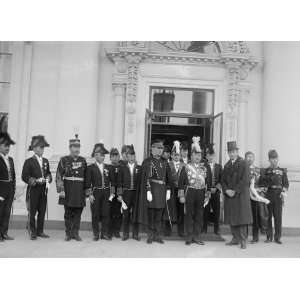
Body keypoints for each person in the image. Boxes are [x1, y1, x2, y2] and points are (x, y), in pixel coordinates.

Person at [134, 139, 173, 244]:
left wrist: (168, 190)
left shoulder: (165, 162)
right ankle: (150, 235)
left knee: (159, 216)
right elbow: (145, 178)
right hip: (151, 191)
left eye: (161, 148)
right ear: (152, 149)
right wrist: (148, 191)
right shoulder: (147, 162)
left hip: (161, 192)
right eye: (157, 148)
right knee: (151, 215)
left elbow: (168, 178)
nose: (160, 151)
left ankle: (157, 235)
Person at [178, 136, 211, 245]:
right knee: (189, 214)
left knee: (199, 215)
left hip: (201, 193)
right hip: (190, 192)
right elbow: (181, 183)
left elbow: (208, 182)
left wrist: (207, 194)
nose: (197, 156)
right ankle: (189, 236)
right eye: (195, 154)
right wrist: (181, 195)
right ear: (190, 156)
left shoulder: (204, 168)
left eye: (199, 154)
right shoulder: (186, 167)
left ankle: (196, 236)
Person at [56, 135, 87, 241]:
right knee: (68, 213)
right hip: (68, 190)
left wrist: (87, 192)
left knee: (78, 213)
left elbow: (86, 177)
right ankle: (68, 233)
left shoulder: (83, 160)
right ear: (70, 148)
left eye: (78, 147)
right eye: (74, 147)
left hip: (79, 190)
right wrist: (61, 190)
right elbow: (59, 175)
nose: (77, 149)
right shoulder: (64, 160)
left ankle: (76, 233)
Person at [221, 141, 252, 249]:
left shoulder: (244, 163)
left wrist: (235, 190)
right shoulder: (227, 165)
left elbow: (246, 180)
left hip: (241, 195)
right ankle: (235, 238)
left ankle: (243, 240)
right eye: (230, 152)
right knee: (232, 217)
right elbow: (223, 180)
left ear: (237, 151)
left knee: (241, 218)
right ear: (228, 153)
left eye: (234, 151)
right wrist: (226, 190)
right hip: (230, 196)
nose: (232, 154)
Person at [22, 135, 52, 240]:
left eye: (43, 147)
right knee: (32, 211)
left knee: (42, 211)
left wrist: (48, 178)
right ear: (34, 149)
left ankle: (40, 231)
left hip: (43, 189)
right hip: (33, 189)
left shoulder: (46, 161)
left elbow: (48, 173)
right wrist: (34, 180)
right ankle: (32, 231)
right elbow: (24, 176)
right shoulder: (28, 161)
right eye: (40, 147)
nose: (42, 149)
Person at [85, 143, 115, 241]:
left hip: (106, 192)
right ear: (95, 155)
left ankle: (104, 234)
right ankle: (96, 234)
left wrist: (112, 193)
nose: (101, 156)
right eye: (98, 154)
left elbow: (113, 182)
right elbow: (87, 183)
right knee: (95, 213)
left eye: (102, 155)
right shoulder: (90, 168)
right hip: (96, 193)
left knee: (106, 213)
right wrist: (89, 195)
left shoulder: (109, 167)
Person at [261, 150, 289, 244]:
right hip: (269, 194)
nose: (274, 160)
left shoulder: (282, 171)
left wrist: (283, 192)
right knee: (268, 217)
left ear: (278, 159)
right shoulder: (265, 171)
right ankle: (269, 237)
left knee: (278, 217)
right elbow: (262, 183)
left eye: (275, 158)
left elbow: (286, 184)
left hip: (278, 195)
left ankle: (277, 237)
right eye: (272, 158)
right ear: (269, 160)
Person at [117, 145, 142, 241]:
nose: (131, 157)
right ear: (127, 157)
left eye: (133, 155)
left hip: (136, 194)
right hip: (126, 194)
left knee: (135, 214)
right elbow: (119, 182)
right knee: (126, 214)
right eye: (129, 156)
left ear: (135, 156)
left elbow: (142, 182)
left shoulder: (139, 168)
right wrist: (119, 194)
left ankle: (135, 234)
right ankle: (125, 234)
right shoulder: (122, 168)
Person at [245, 151, 269, 243]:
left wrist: (260, 190)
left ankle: (255, 237)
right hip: (245, 196)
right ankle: (244, 236)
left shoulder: (258, 170)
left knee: (255, 217)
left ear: (254, 158)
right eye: (248, 157)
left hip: (255, 196)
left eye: (251, 157)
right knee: (245, 217)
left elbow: (262, 183)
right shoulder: (243, 169)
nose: (250, 158)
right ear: (245, 158)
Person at [163, 140, 183, 237]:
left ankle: (181, 230)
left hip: (181, 190)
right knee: (170, 209)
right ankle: (168, 229)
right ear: (171, 155)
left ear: (180, 156)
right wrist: (167, 188)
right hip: (170, 190)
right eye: (174, 155)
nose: (176, 156)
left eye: (178, 155)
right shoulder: (167, 164)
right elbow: (165, 178)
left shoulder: (184, 166)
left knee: (180, 209)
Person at [202, 144, 222, 235]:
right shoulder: (203, 166)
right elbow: (202, 179)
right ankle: (204, 228)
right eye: (208, 155)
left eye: (212, 155)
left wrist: (216, 188)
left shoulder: (219, 166)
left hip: (216, 192)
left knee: (216, 211)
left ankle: (216, 229)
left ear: (214, 156)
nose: (210, 157)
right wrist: (209, 189)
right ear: (206, 156)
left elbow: (222, 179)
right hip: (206, 192)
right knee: (205, 211)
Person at [0, 131, 16, 242]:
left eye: (8, 146)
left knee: (7, 213)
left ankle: (4, 233)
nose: (7, 148)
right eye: (5, 145)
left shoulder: (11, 159)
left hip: (10, 190)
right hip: (1, 190)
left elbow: (13, 176)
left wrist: (13, 190)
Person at [108, 148, 122, 238]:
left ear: (119, 157)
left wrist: (120, 194)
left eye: (116, 156)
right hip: (110, 193)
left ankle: (117, 231)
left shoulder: (122, 168)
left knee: (119, 212)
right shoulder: (107, 167)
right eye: (113, 156)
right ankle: (110, 231)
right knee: (109, 212)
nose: (115, 158)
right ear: (110, 158)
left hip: (120, 193)